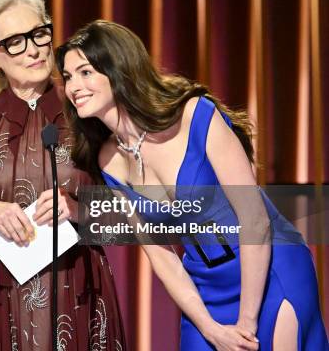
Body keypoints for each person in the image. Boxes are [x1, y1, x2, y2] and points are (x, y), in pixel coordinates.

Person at [56, 19, 328, 351]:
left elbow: (254, 219)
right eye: (68, 76)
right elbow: (160, 254)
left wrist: (245, 325)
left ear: (119, 69)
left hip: (269, 268)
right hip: (205, 288)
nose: (73, 86)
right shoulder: (107, 160)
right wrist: (210, 329)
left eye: (85, 72)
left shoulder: (195, 115)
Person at [0, 0, 126, 350]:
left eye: (39, 34)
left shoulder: (88, 112)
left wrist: (79, 208)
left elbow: (130, 212)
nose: (34, 49)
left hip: (82, 295)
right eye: (15, 42)